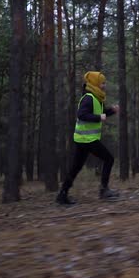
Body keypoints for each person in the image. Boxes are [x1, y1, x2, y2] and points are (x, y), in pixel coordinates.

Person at [56, 71, 120, 205]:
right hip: (88, 139)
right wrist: (99, 117)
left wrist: (111, 111)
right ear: (95, 83)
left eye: (104, 83)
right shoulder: (88, 98)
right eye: (102, 83)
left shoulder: (97, 98)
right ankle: (104, 190)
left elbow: (100, 114)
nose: (104, 85)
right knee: (109, 159)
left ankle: (62, 194)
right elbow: (82, 115)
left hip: (83, 139)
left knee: (76, 167)